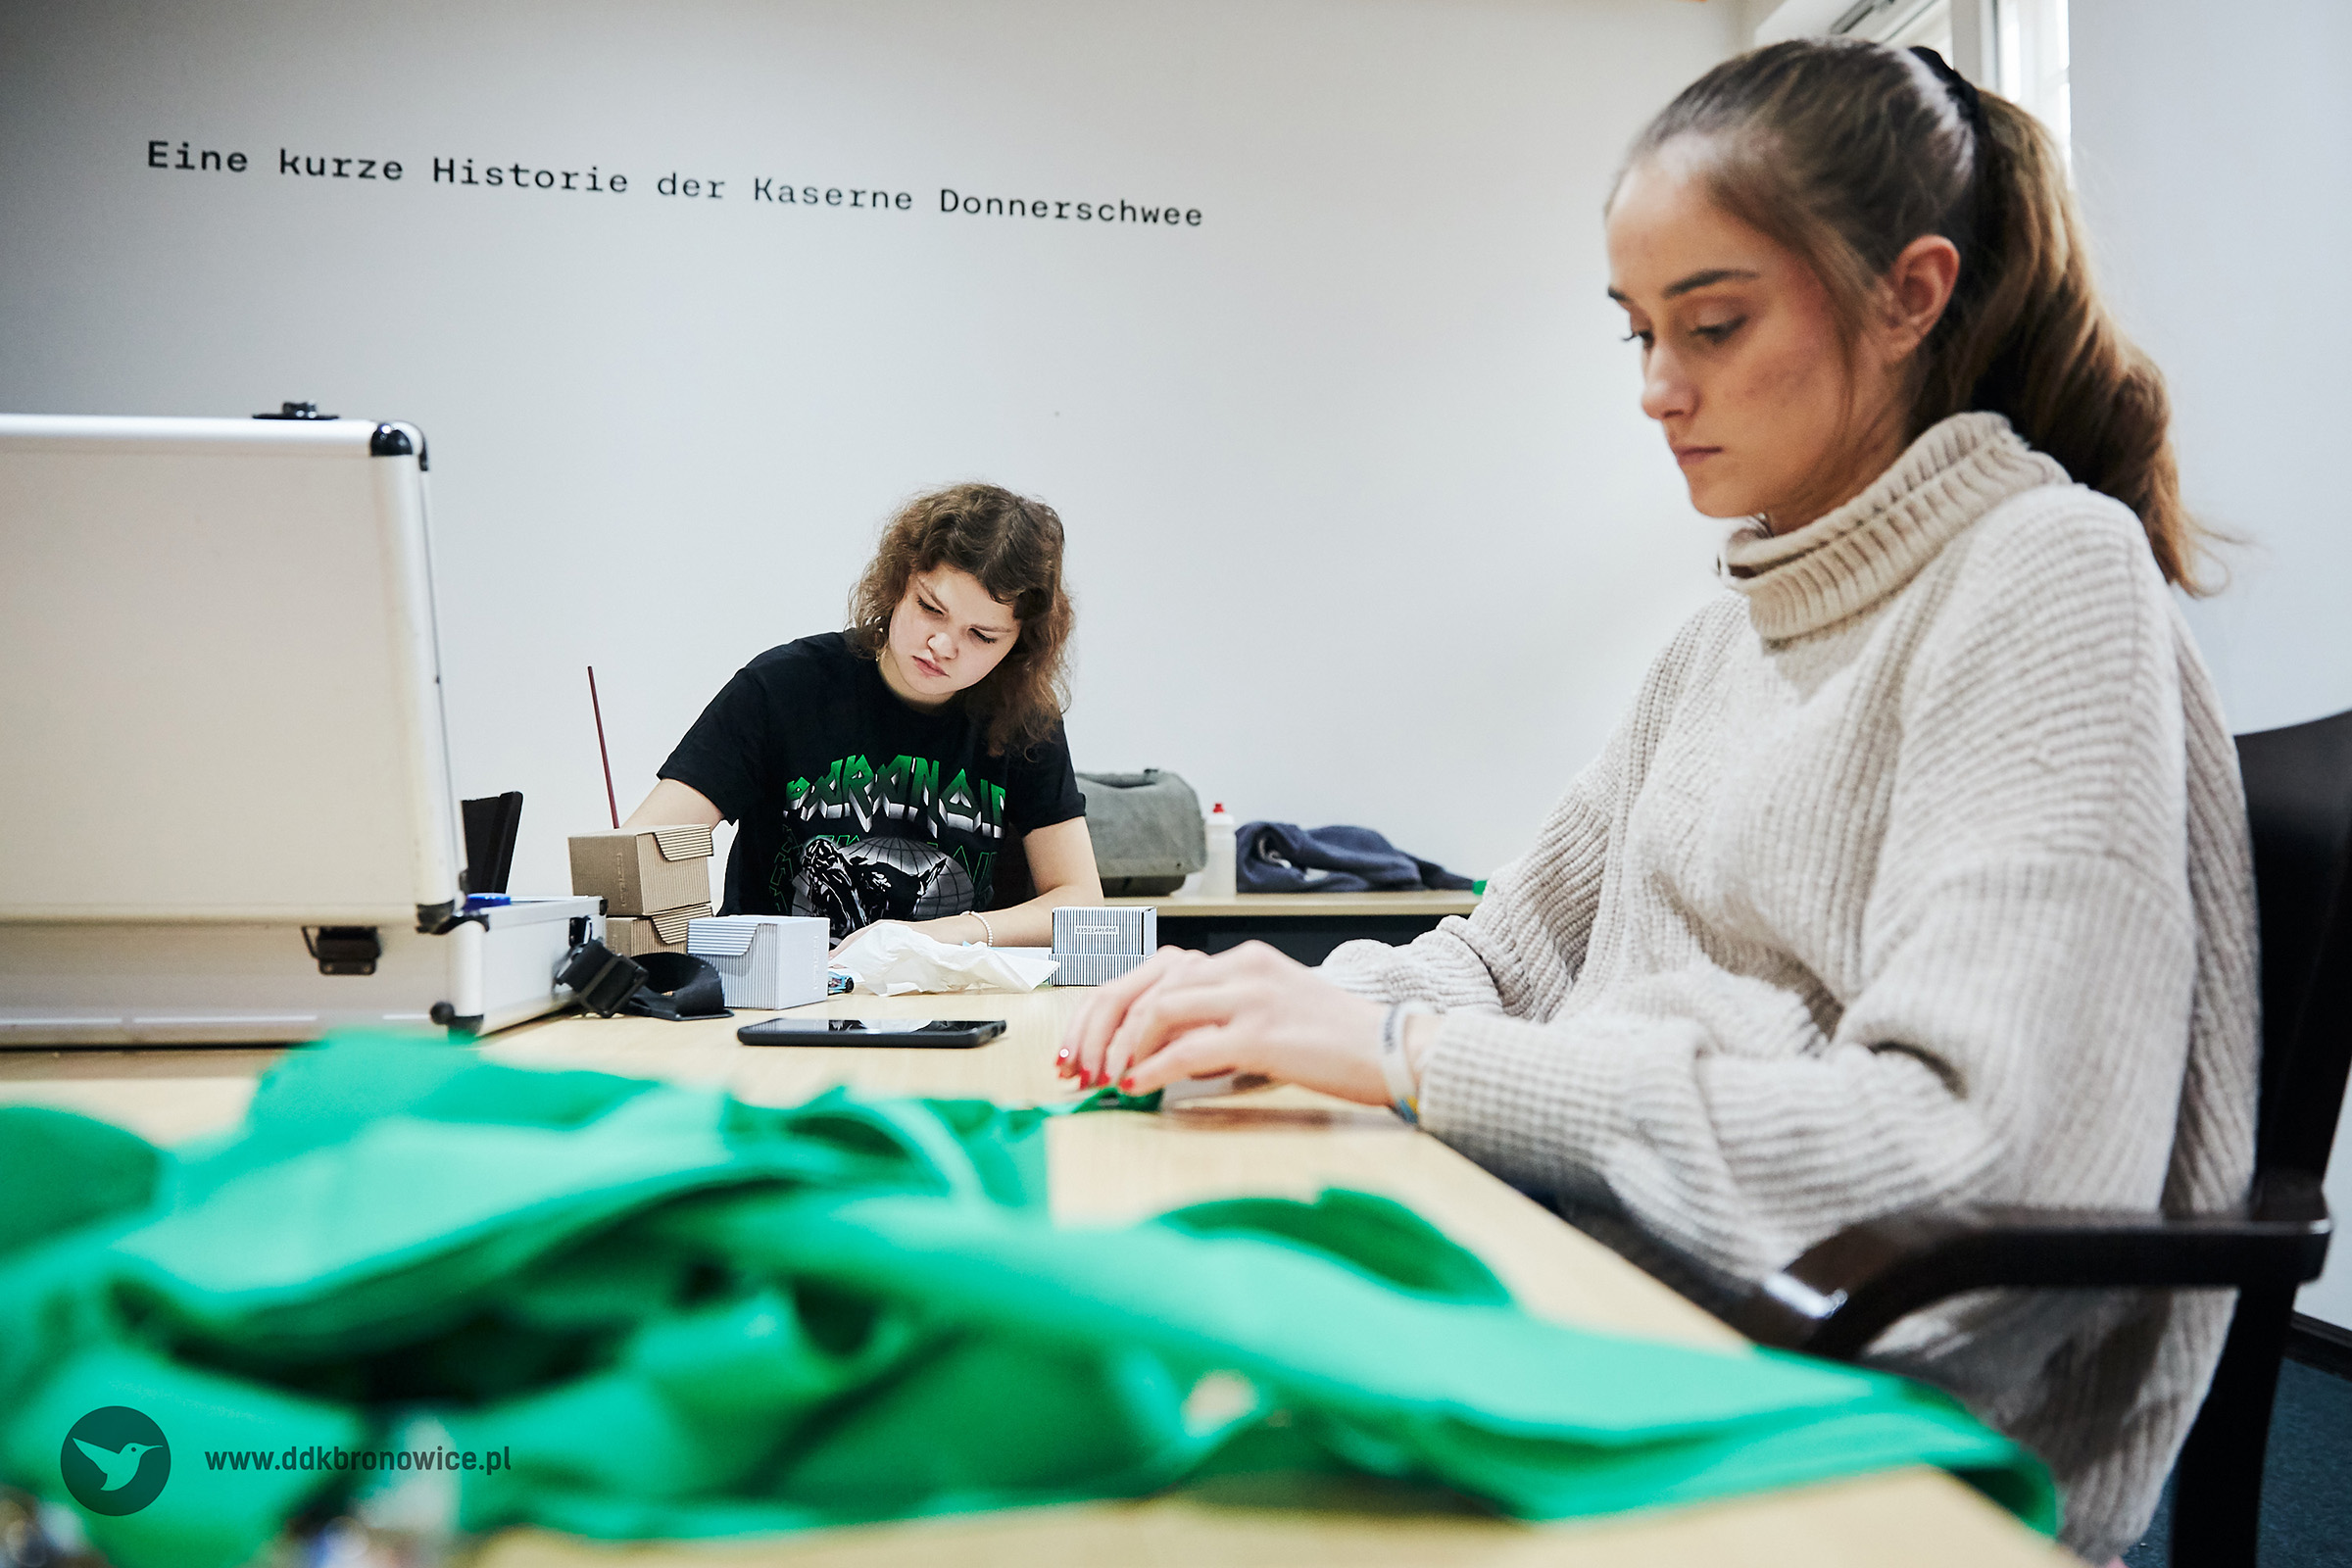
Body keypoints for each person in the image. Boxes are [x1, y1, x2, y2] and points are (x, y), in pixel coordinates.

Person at [1059, 38, 2254, 1564]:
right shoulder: (1729, 633)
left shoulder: (2044, 577)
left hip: (1857, 1422)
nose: (1656, 389)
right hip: (1630, 1307)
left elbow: (1974, 1162)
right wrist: (1280, 1003)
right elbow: (1509, 953)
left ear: (1911, 294)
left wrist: (1414, 1060)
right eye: (1638, 332)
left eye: (1714, 324)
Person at [626, 482, 1101, 950]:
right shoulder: (783, 688)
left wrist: (944, 934)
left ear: (1020, 644)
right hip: (774, 985)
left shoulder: (1024, 719)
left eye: (982, 635)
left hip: (943, 987)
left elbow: (1080, 899)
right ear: (898, 584)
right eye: (930, 608)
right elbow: (642, 850)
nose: (942, 646)